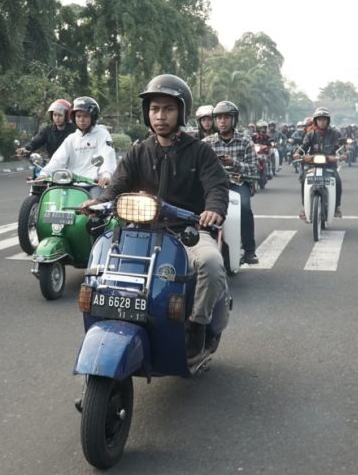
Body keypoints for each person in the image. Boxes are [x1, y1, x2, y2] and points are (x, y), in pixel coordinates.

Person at [81, 74, 229, 366]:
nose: (160, 116)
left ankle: (197, 325)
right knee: (101, 267)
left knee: (211, 264)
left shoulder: (200, 151)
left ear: (181, 112)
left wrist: (213, 208)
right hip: (141, 232)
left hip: (187, 231)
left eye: (168, 109)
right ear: (147, 113)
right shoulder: (139, 151)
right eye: (154, 109)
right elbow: (117, 185)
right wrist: (98, 202)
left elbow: (216, 185)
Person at [205, 100, 259, 265]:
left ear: (234, 120)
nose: (222, 121)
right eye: (219, 118)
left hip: (238, 183)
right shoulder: (206, 143)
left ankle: (249, 250)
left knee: (244, 208)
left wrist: (234, 163)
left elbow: (254, 168)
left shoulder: (245, 141)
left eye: (227, 117)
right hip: (214, 185)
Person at [38, 96, 116, 198]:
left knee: (95, 205)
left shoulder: (102, 134)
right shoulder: (72, 138)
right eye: (78, 116)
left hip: (94, 184)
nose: (81, 120)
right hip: (72, 184)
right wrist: (44, 173)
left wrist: (106, 175)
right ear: (73, 117)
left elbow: (107, 155)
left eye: (86, 116)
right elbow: (58, 159)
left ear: (93, 117)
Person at [296, 107, 344, 219]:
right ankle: (305, 207)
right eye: (319, 120)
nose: (322, 122)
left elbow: (340, 146)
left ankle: (336, 207)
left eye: (324, 120)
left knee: (337, 181)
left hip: (329, 165)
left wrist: (343, 154)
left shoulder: (335, 134)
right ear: (316, 121)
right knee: (304, 180)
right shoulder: (310, 134)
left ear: (328, 121)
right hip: (313, 164)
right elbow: (303, 146)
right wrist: (297, 153)